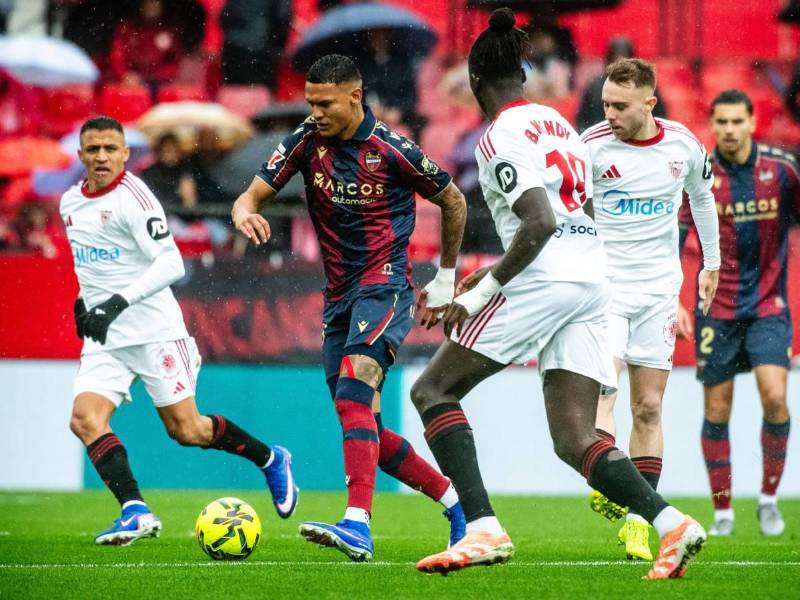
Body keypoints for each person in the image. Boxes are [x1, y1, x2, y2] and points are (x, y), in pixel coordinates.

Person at [410, 9, 707, 580]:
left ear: (475, 83)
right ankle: (672, 524)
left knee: (432, 391)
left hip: (545, 277)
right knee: (575, 439)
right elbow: (578, 212)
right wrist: (502, 275)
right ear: (521, 77)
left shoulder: (498, 135)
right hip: (592, 276)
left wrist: (480, 293)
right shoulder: (558, 123)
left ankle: (482, 530)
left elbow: (539, 222)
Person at [230, 54, 468, 562]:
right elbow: (247, 197)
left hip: (385, 286)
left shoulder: (392, 149)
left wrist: (447, 280)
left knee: (355, 391)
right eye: (310, 101)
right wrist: (245, 212)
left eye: (324, 103)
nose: (314, 111)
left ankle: (357, 524)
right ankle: (455, 503)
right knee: (363, 425)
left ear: (355, 96)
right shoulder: (303, 141)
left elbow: (454, 200)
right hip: (338, 296)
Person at [61, 116, 298, 546]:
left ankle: (271, 458)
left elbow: (172, 263)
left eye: (109, 149)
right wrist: (84, 303)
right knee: (84, 419)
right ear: (81, 155)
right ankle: (134, 510)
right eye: (92, 149)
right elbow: (92, 267)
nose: (101, 157)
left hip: (154, 330)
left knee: (187, 431)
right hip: (107, 339)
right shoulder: (70, 205)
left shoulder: (136, 198)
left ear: (125, 154)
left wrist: (116, 303)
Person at [581, 58, 720, 561]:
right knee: (604, 385)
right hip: (606, 287)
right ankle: (606, 478)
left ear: (649, 103)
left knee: (649, 406)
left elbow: (703, 201)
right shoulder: (591, 147)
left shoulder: (682, 145)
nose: (610, 114)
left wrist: (712, 265)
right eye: (605, 104)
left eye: (620, 106)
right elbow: (567, 210)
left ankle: (639, 521)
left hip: (660, 290)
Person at [678, 89, 797, 537]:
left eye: (736, 121)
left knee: (776, 398)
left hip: (770, 305)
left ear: (751, 122)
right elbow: (675, 235)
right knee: (717, 408)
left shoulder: (782, 171)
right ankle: (723, 511)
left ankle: (768, 500)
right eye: (721, 122)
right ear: (713, 124)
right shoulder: (699, 175)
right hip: (716, 307)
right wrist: (675, 296)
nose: (728, 130)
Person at [576, 38, 668, 133]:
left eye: (624, 62)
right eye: (616, 60)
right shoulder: (594, 87)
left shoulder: (644, 86)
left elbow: (659, 119)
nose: (619, 66)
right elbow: (582, 123)